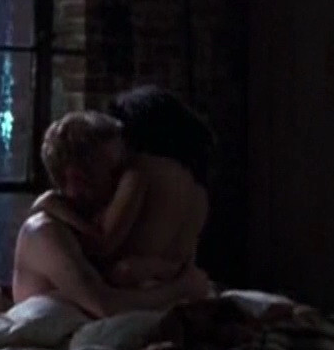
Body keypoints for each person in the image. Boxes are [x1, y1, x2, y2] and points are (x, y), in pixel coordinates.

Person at [11, 109, 210, 317]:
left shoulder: (87, 227)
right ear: (78, 179)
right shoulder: (44, 232)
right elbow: (105, 305)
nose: (126, 180)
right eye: (115, 171)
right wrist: (182, 288)